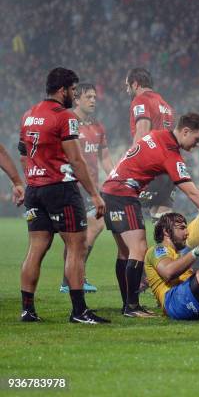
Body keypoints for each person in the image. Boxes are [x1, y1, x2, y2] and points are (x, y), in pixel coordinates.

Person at [101, 112, 199, 317]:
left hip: (111, 191)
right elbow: (191, 191)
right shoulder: (170, 153)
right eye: (196, 139)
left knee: (125, 252)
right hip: (123, 193)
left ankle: (128, 305)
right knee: (138, 248)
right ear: (185, 131)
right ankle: (132, 306)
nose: (197, 144)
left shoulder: (157, 135)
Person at [18, 67, 109, 324]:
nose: (73, 94)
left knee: (36, 248)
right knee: (76, 247)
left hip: (34, 189)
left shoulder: (29, 115)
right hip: (60, 188)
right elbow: (76, 160)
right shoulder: (64, 116)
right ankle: (79, 311)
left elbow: (23, 152)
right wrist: (95, 194)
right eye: (72, 89)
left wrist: (31, 179)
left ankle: (27, 310)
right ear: (63, 90)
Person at [59, 83, 114, 293]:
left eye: (94, 97)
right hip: (71, 186)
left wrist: (116, 176)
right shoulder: (67, 123)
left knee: (93, 227)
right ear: (77, 99)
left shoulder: (98, 127)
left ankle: (72, 278)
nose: (93, 100)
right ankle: (71, 279)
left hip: (91, 189)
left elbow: (105, 158)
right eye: (88, 97)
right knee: (76, 236)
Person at [126, 67, 175, 219]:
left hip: (152, 168)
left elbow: (142, 132)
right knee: (162, 216)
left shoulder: (140, 100)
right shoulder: (165, 105)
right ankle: (167, 242)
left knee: (122, 205)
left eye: (127, 86)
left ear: (135, 84)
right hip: (168, 169)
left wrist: (129, 163)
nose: (126, 90)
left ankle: (135, 243)